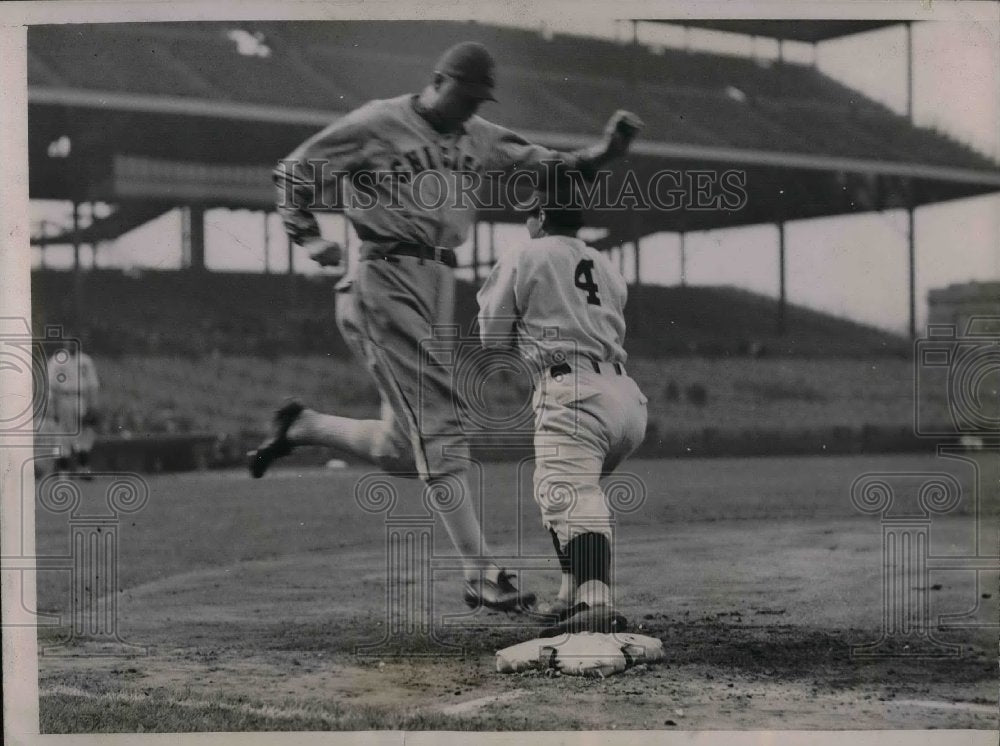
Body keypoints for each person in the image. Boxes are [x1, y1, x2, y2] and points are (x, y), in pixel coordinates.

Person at [249, 40, 642, 614]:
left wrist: (607, 151)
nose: (470, 108)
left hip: (438, 280)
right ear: (437, 81)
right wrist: (306, 236)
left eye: (480, 99)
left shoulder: (478, 134)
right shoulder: (376, 122)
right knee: (440, 424)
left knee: (403, 447)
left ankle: (304, 427)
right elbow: (292, 174)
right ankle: (481, 571)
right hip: (384, 271)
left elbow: (548, 165)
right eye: (465, 95)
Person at [476, 169, 648, 635]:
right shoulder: (605, 264)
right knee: (555, 490)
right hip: (625, 398)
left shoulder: (527, 254)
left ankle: (596, 599)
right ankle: (571, 593)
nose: (527, 222)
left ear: (543, 215)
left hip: (574, 392)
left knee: (570, 494)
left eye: (531, 213)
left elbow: (490, 335)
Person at [45, 338, 100, 477]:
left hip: (81, 398)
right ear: (64, 345)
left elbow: (93, 384)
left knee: (85, 432)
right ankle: (63, 472)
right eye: (69, 343)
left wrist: (93, 405)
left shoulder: (85, 360)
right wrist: (52, 406)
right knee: (63, 434)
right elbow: (50, 385)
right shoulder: (57, 360)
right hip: (64, 398)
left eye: (74, 343)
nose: (71, 346)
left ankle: (84, 469)